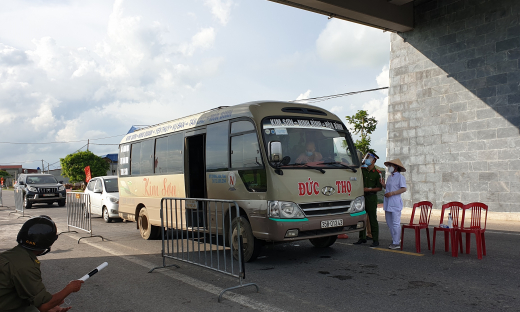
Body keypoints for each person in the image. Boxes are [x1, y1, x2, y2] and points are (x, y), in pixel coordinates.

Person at [0, 216, 83, 312]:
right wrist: (70, 288)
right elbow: (44, 306)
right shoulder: (25, 266)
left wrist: (51, 304)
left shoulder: (12, 255)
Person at [353, 152, 382, 247]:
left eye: (369, 158)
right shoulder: (362, 170)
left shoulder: (377, 174)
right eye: (366, 158)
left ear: (374, 161)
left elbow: (379, 188)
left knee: (372, 219)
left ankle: (375, 239)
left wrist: (369, 189)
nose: (366, 160)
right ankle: (362, 238)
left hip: (371, 197)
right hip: (362, 197)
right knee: (361, 217)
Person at [380, 159, 407, 250]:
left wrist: (392, 193)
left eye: (390, 166)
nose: (389, 167)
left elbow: (404, 189)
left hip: (395, 202)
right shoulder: (390, 177)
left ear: (395, 167)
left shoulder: (400, 177)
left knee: (395, 223)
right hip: (388, 202)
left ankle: (396, 242)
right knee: (389, 222)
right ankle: (394, 239)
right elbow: (388, 188)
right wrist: (383, 184)